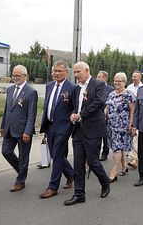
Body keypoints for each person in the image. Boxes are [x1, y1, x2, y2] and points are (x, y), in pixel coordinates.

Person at [64, 62, 110, 206]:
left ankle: (105, 182)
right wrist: (73, 115)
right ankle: (79, 194)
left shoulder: (99, 85)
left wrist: (80, 115)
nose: (76, 75)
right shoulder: (77, 89)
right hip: (78, 131)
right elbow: (75, 107)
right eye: (75, 72)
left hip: (93, 130)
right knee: (78, 164)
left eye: (78, 72)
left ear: (87, 70)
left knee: (93, 162)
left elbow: (99, 103)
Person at [39, 61, 75, 199]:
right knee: (55, 155)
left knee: (57, 154)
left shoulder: (72, 88)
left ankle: (53, 187)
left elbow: (74, 107)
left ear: (66, 72)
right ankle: (71, 174)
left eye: (60, 71)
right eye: (55, 71)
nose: (56, 73)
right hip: (50, 125)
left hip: (63, 127)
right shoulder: (49, 86)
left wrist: (71, 122)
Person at [1, 65, 38, 192]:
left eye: (18, 75)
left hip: (23, 131)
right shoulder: (10, 89)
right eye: (14, 75)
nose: (15, 78)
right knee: (5, 151)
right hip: (9, 129)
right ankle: (22, 170)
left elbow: (31, 114)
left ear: (25, 76)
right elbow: (7, 109)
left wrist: (27, 131)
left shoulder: (31, 92)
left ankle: (20, 181)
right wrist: (2, 126)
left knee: (23, 156)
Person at [105, 72, 135, 182]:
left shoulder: (129, 95)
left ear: (124, 82)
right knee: (118, 146)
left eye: (120, 81)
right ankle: (124, 166)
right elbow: (107, 108)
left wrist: (131, 125)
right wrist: (102, 117)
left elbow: (132, 111)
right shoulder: (111, 94)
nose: (117, 82)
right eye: (115, 80)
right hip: (111, 125)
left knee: (117, 148)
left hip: (123, 126)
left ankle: (114, 172)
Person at [96, 70, 115, 162]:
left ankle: (105, 153)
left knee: (105, 136)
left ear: (105, 78)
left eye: (99, 77)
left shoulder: (111, 89)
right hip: (96, 115)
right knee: (97, 136)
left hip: (107, 117)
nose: (97, 78)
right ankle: (96, 153)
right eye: (97, 76)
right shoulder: (95, 87)